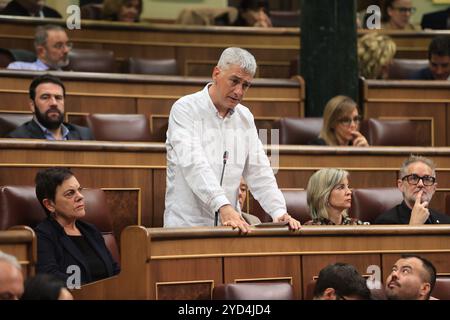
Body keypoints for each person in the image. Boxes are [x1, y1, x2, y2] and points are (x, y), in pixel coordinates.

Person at [163, 47, 301, 233]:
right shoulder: (185, 109)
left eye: (245, 85)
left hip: (231, 228)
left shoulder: (245, 117)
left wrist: (278, 211)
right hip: (186, 226)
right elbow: (194, 164)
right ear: (216, 74)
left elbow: (259, 170)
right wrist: (222, 205)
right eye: (234, 81)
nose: (239, 91)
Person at [34, 167, 120, 284]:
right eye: (70, 193)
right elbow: (50, 278)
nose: (80, 196)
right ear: (49, 204)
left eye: (79, 190)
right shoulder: (43, 236)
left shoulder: (91, 230)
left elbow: (114, 270)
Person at [7, 75, 93, 140]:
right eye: (45, 97)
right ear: (32, 105)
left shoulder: (85, 135)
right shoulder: (18, 138)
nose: (54, 103)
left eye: (58, 98)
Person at [375, 155, 450, 224]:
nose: (421, 184)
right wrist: (414, 224)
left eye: (427, 179)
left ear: (434, 188)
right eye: (414, 178)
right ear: (401, 185)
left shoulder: (445, 221)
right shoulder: (385, 221)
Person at [7, 24, 72, 71]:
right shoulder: (19, 68)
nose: (66, 50)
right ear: (41, 51)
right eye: (58, 46)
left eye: (67, 44)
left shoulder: (70, 76)